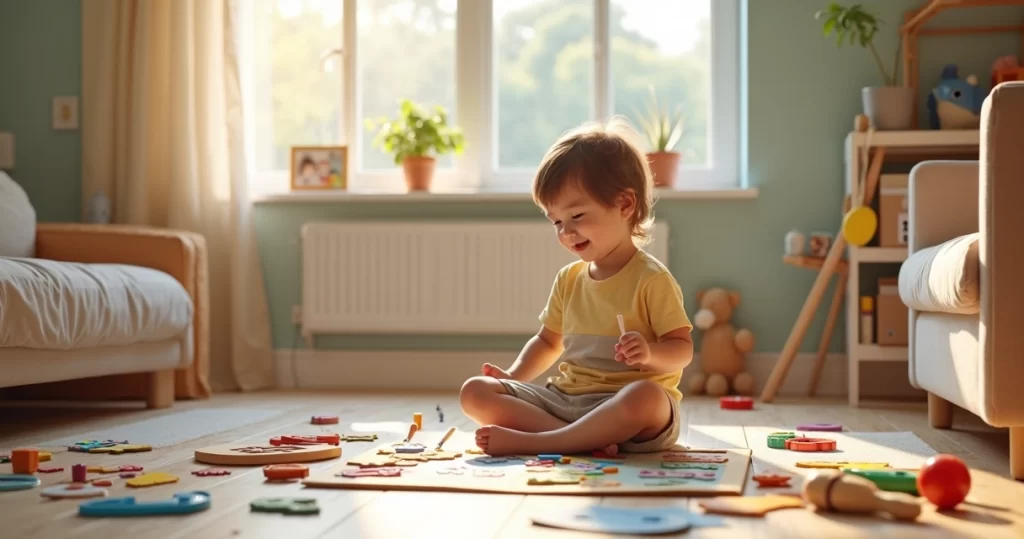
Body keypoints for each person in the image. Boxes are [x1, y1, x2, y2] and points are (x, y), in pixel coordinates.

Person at [459, 118, 694, 457]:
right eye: (556, 221)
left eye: (577, 216)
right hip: (568, 402)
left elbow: (682, 351)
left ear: (625, 205)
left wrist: (649, 353)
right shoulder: (568, 279)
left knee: (646, 398)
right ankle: (580, 439)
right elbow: (547, 342)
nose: (566, 232)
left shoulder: (651, 279)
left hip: (627, 410)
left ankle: (547, 442)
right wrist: (512, 376)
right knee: (475, 391)